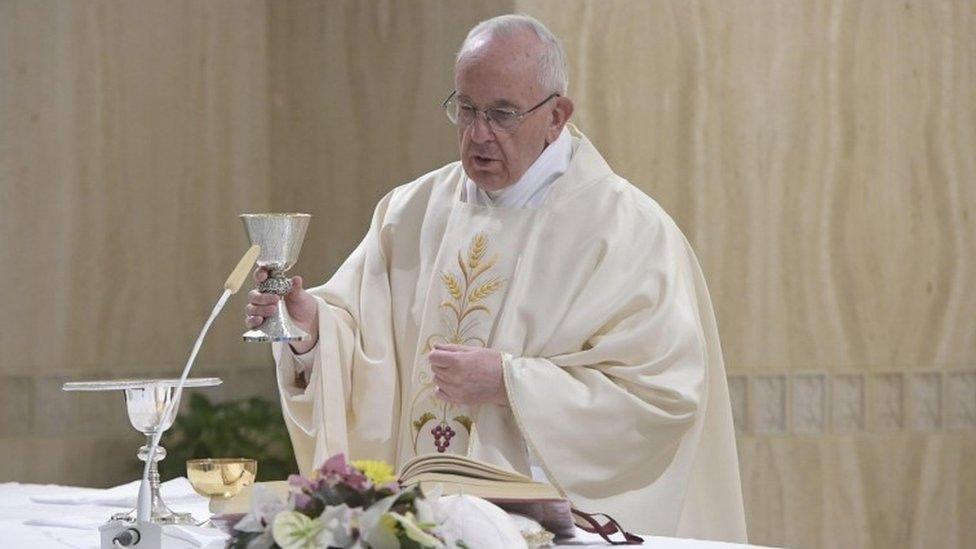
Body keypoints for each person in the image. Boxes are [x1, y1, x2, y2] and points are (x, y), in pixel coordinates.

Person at [246, 14, 746, 541]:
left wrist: (509, 382)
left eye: (502, 115)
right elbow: (360, 337)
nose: (477, 135)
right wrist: (314, 329)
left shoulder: (627, 232)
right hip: (421, 521)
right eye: (465, 109)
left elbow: (660, 397)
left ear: (557, 115)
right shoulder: (410, 211)